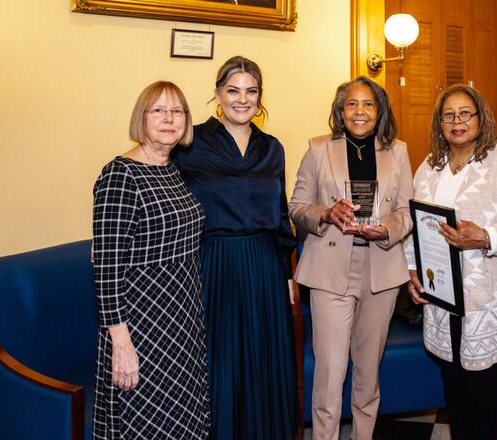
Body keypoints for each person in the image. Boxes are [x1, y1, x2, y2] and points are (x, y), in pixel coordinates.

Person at [405, 84, 497, 440]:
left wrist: (486, 236)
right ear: (439, 123)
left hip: (489, 298)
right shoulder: (429, 166)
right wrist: (411, 268)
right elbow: (416, 224)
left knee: (484, 389)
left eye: (465, 113)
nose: (457, 122)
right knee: (454, 386)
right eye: (448, 115)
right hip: (442, 296)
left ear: (480, 118)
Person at [172, 55, 298, 440]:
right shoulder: (190, 142)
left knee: (264, 362)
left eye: (251, 91)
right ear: (217, 94)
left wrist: (287, 272)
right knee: (220, 362)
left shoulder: (271, 148)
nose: (242, 99)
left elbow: (280, 214)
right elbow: (169, 204)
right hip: (215, 264)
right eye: (233, 90)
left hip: (264, 267)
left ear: (260, 96)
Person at [289, 76, 414, 440]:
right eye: (352, 104)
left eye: (368, 104)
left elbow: (407, 211)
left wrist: (387, 228)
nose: (360, 112)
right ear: (340, 111)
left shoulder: (400, 151)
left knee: (368, 373)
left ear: (380, 111)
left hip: (381, 267)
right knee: (330, 372)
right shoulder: (317, 149)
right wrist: (327, 214)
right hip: (330, 270)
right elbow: (297, 207)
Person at [92, 81, 209, 440]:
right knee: (147, 424)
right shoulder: (121, 175)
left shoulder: (172, 169)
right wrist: (121, 344)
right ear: (141, 118)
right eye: (158, 110)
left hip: (183, 322)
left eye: (177, 111)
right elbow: (107, 269)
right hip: (142, 327)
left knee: (184, 420)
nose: (169, 119)